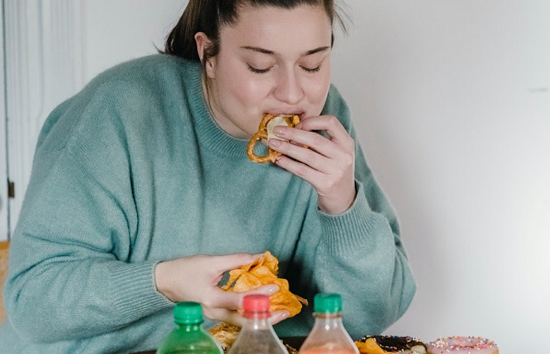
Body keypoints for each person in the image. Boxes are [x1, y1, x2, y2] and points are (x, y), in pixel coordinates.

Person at [0, 0, 416, 353]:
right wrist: (166, 281)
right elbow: (31, 301)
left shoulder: (325, 120)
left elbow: (372, 315)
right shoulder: (119, 114)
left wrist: (342, 205)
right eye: (259, 66)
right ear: (208, 54)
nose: (292, 94)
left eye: (313, 64)